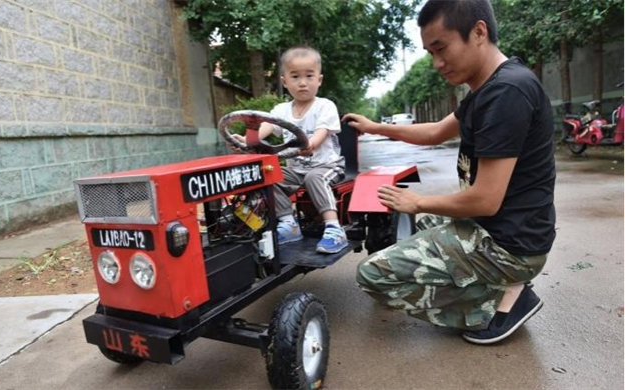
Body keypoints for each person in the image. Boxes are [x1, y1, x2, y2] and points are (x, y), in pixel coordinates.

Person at [343, 0, 556, 344]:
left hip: (507, 245)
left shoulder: (506, 93)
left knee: (373, 275)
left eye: (441, 49)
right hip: (505, 230)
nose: (437, 63)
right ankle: (502, 281)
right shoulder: (486, 90)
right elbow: (434, 133)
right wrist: (375, 127)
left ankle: (498, 305)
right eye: (430, 52)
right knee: (424, 226)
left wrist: (417, 201)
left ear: (478, 32)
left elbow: (485, 200)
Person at [237, 46, 348, 254]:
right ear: (284, 81)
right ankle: (289, 224)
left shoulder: (325, 106)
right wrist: (246, 138)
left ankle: (334, 228)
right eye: (295, 76)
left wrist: (309, 144)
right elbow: (264, 129)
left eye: (309, 76)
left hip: (327, 165)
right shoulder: (281, 111)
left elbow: (319, 134)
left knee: (314, 178)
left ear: (319, 80)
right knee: (267, 175)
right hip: (296, 169)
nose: (303, 82)